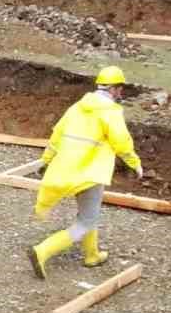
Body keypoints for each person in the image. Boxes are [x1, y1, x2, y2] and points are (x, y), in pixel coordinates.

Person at [28, 66, 144, 279]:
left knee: (89, 214)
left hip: (66, 170)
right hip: (90, 171)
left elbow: (57, 136)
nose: (121, 93)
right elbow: (122, 142)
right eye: (121, 89)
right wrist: (134, 163)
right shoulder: (110, 112)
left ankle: (92, 255)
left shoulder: (77, 107)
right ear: (116, 89)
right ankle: (43, 250)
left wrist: (45, 161)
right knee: (86, 221)